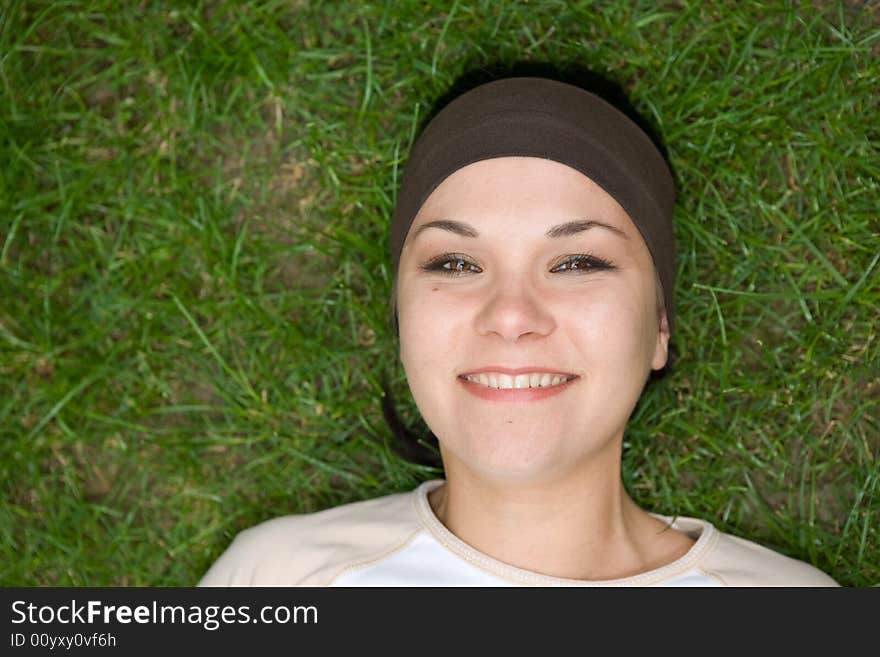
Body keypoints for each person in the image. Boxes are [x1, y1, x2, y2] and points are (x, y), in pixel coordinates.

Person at [199, 75, 837, 586]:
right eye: (455, 263)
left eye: (576, 263)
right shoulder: (278, 581)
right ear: (402, 318)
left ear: (659, 327)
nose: (509, 315)